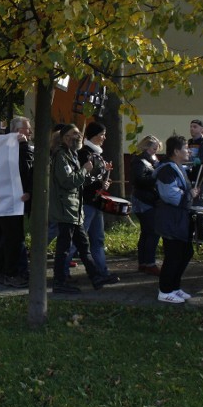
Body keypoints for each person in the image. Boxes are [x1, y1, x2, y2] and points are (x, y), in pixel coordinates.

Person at [48, 124, 109, 294]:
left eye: (79, 134)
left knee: (83, 245)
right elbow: (67, 181)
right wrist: (84, 170)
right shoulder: (61, 156)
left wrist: (93, 180)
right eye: (74, 135)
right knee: (64, 248)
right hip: (65, 208)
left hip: (74, 208)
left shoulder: (71, 154)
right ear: (65, 137)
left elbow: (79, 182)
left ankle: (96, 276)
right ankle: (59, 281)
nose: (78, 138)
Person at [67, 121, 119, 286]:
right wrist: (97, 183)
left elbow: (96, 177)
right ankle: (62, 272)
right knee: (78, 241)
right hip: (86, 202)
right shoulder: (84, 153)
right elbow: (82, 178)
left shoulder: (98, 154)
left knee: (98, 240)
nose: (104, 137)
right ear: (94, 135)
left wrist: (105, 183)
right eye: (102, 134)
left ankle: (102, 272)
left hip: (97, 202)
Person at [0, 116, 33, 288]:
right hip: (8, 199)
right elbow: (24, 169)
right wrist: (24, 146)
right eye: (27, 128)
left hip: (13, 199)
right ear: (17, 131)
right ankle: (9, 273)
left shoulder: (15, 147)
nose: (30, 131)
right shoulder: (10, 147)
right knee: (14, 238)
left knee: (11, 237)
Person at [153, 135, 199, 303]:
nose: (189, 151)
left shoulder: (177, 167)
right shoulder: (167, 170)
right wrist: (189, 194)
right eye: (186, 148)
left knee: (186, 252)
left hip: (179, 219)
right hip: (170, 219)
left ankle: (174, 287)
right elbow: (170, 195)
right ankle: (164, 290)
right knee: (173, 255)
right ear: (176, 151)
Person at [130, 135, 162, 276]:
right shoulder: (140, 161)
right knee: (153, 232)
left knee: (146, 232)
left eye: (156, 147)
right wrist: (155, 176)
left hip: (146, 198)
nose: (155, 150)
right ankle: (149, 263)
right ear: (146, 147)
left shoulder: (151, 159)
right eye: (153, 147)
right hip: (144, 199)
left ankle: (143, 263)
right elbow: (139, 180)